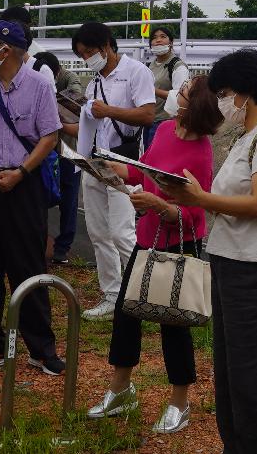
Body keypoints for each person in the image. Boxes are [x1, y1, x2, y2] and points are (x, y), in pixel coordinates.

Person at [162, 48, 257, 454]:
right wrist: (191, 194)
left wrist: (200, 198)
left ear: (246, 92)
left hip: (255, 270)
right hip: (229, 260)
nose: (222, 101)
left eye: (224, 91)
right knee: (230, 372)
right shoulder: (246, 138)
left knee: (255, 378)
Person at [88, 75, 221, 435]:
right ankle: (120, 389)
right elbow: (143, 169)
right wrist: (109, 168)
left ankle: (180, 402)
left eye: (183, 93)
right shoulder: (163, 130)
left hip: (178, 245)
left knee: (173, 323)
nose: (176, 95)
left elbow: (196, 213)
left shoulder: (202, 151)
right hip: (147, 239)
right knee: (126, 314)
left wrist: (160, 206)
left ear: (196, 104)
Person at [0, 18, 65, 375]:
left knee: (28, 265)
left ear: (5, 49)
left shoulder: (38, 85)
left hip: (25, 183)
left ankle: (41, 348)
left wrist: (21, 172)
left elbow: (49, 138)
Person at [70, 22, 156, 319]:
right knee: (98, 231)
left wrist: (108, 111)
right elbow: (91, 122)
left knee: (122, 232)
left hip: (125, 159)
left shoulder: (136, 72)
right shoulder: (95, 81)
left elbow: (148, 113)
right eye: (82, 55)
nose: (86, 59)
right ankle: (112, 295)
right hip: (94, 161)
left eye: (89, 52)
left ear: (106, 46)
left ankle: (142, 295)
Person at [40, 51, 82, 265]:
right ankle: (38, 242)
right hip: (46, 149)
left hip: (69, 150)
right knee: (41, 195)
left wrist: (47, 94)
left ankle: (62, 248)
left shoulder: (70, 78)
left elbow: (75, 101)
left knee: (69, 198)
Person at [146, 28, 191, 148]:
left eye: (163, 36)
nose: (158, 40)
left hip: (165, 122)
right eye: (154, 38)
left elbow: (180, 97)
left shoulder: (177, 66)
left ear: (171, 42)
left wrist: (152, 90)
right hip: (147, 120)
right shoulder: (149, 65)